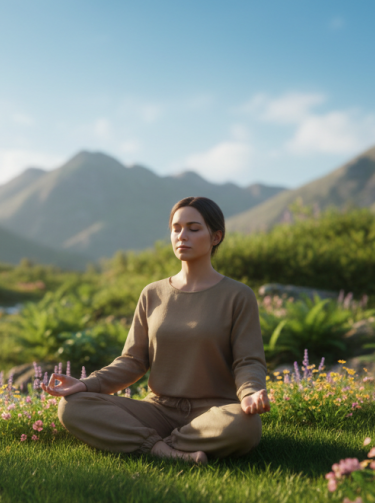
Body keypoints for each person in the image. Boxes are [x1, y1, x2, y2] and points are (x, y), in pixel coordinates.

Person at [43, 196, 270, 465]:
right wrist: (85, 384)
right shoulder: (152, 293)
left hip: (214, 412)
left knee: (246, 425)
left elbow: (248, 360)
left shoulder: (238, 296)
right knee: (72, 406)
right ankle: (162, 449)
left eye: (193, 228)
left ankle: (162, 443)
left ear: (216, 236)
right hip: (158, 410)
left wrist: (250, 394)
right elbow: (132, 361)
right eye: (176, 228)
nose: (182, 235)